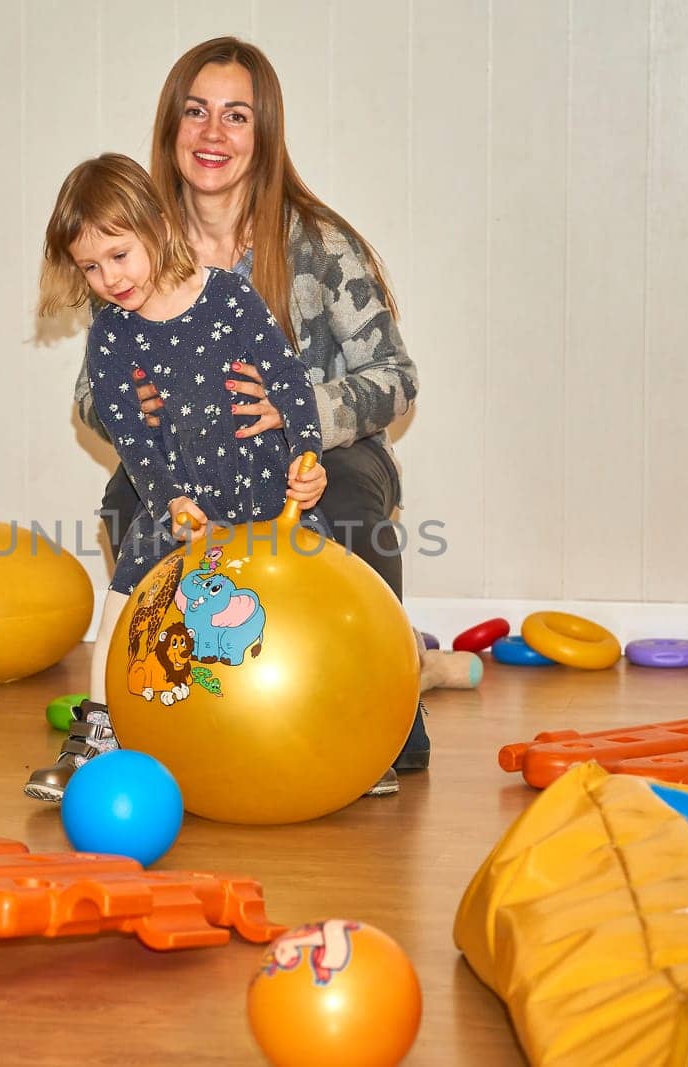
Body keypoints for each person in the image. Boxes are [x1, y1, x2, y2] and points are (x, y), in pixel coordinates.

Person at [65, 36, 427, 793]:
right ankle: (160, 702)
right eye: (195, 112)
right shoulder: (136, 240)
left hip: (308, 449)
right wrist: (142, 407)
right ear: (171, 127)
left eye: (236, 116)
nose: (212, 133)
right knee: (132, 498)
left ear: (264, 135)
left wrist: (300, 416)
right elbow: (91, 395)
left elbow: (396, 377)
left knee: (352, 501)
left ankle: (380, 705)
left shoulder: (320, 244)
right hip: (190, 457)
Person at [25, 152, 352, 802]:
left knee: (304, 594)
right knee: (129, 592)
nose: (108, 278)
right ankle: (98, 730)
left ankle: (336, 727)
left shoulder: (227, 295)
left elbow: (288, 377)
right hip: (180, 497)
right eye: (90, 267)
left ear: (154, 229)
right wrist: (168, 498)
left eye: (118, 255)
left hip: (262, 488)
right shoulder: (113, 336)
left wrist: (305, 456)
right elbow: (133, 436)